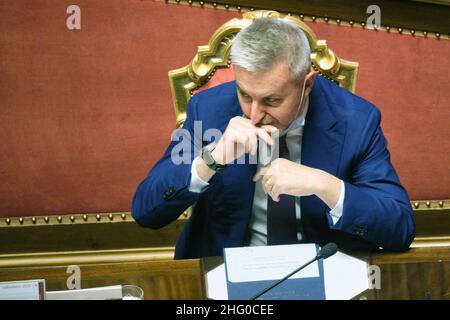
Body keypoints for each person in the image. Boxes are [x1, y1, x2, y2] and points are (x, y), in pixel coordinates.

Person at [132, 18, 415, 259]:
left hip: (321, 275)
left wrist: (324, 184)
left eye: (272, 99)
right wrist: (211, 159)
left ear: (307, 84)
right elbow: (147, 211)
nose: (254, 114)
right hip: (226, 277)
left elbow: (399, 228)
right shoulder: (208, 109)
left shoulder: (357, 121)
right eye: (244, 94)